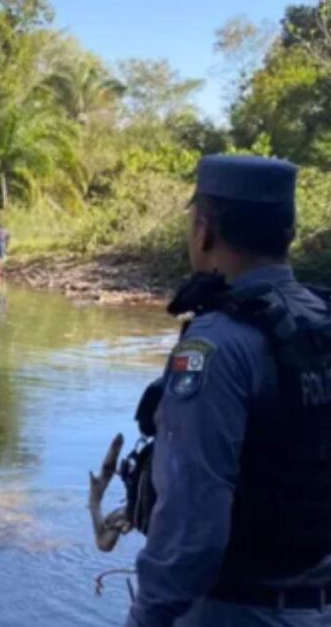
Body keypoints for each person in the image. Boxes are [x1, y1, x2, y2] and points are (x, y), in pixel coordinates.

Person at [125, 155, 331, 627]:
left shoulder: (213, 347)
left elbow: (192, 526)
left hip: (237, 611)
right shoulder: (319, 322)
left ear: (204, 231)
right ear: (289, 232)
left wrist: (147, 617)